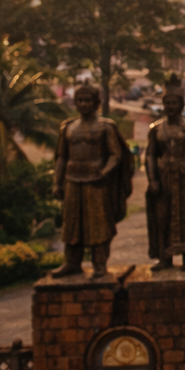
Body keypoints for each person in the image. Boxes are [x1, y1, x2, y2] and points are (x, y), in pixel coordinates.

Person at [52, 84, 132, 277]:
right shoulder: (68, 127)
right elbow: (61, 157)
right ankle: (72, 262)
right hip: (73, 180)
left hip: (96, 182)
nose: (84, 104)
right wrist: (57, 182)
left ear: (96, 103)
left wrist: (104, 172)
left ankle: (99, 264)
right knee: (71, 224)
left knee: (98, 225)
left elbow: (116, 155)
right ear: (75, 103)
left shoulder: (105, 127)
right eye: (80, 100)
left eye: (88, 100)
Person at [145, 83, 185, 269]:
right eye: (167, 103)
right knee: (163, 216)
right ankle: (165, 258)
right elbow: (150, 155)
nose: (170, 106)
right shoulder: (156, 129)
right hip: (164, 177)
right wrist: (153, 179)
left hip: (184, 177)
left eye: (174, 103)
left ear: (181, 106)